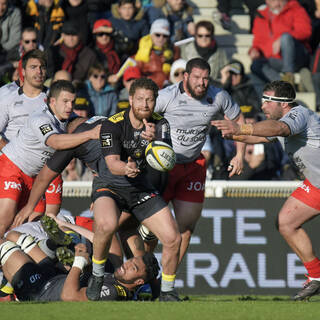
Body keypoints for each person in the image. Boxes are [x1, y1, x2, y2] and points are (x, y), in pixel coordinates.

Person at [211, 80, 320, 301]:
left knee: (287, 223)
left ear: (283, 104)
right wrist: (231, 134)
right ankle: (317, 276)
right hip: (316, 183)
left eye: (267, 101)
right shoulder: (282, 120)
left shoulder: (299, 115)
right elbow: (262, 136)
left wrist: (241, 128)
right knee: (286, 223)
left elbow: (277, 130)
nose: (262, 107)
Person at [154, 57, 245, 264]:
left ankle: (166, 283)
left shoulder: (219, 96)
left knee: (185, 230)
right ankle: (147, 275)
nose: (202, 83)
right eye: (197, 78)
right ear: (185, 76)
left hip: (194, 166)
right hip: (163, 168)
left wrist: (239, 155)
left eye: (205, 78)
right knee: (151, 230)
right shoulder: (166, 96)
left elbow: (239, 121)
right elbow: (139, 115)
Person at [1, 80, 100, 235]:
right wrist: (90, 134)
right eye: (65, 101)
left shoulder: (69, 117)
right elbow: (55, 142)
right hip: (12, 167)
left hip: (37, 175)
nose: (70, 106)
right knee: (5, 219)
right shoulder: (40, 118)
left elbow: (84, 138)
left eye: (72, 102)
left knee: (35, 224)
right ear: (52, 101)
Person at [0, 49, 64, 221]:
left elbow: (68, 126)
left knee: (46, 221)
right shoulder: (7, 96)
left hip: (47, 168)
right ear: (23, 71)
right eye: (33, 67)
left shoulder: (54, 98)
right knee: (6, 218)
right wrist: (13, 153)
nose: (39, 72)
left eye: (42, 67)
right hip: (14, 166)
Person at [0, 236, 160, 301]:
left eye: (133, 267)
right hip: (53, 277)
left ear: (139, 280)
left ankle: (7, 287)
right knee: (16, 235)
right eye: (130, 260)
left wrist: (78, 263)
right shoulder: (116, 278)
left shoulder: (113, 292)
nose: (126, 264)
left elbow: (69, 295)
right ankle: (7, 283)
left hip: (40, 290)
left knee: (5, 246)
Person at [249, 0, 311, 88]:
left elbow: (305, 31)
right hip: (276, 59)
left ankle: (289, 75)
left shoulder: (296, 9)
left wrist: (282, 38)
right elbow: (258, 41)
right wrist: (255, 50)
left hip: (296, 57)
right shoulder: (261, 16)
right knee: (255, 65)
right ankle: (284, 86)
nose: (275, 3)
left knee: (286, 37)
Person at [134, 18, 180, 89]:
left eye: (165, 36)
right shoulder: (142, 49)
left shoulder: (173, 50)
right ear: (151, 35)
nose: (161, 38)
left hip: (167, 89)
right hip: (147, 89)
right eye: (158, 35)